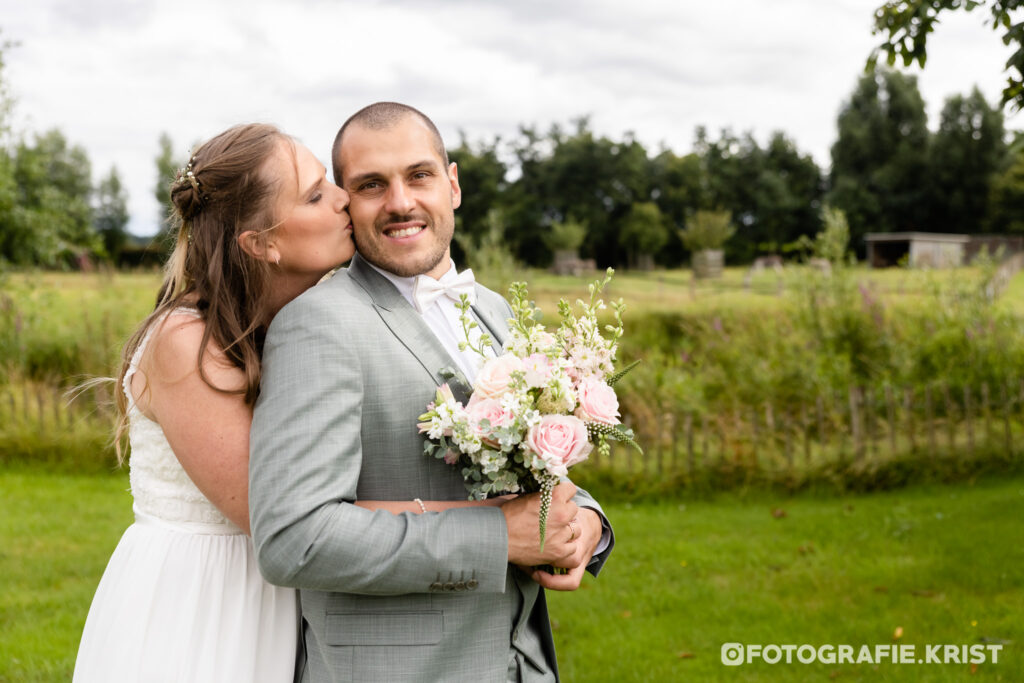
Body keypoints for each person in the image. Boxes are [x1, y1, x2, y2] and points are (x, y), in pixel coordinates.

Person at [73, 122, 514, 683]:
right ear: (263, 243)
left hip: (289, 603)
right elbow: (287, 518)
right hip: (207, 603)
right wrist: (499, 526)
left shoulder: (297, 321)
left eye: (332, 183)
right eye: (315, 194)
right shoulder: (186, 344)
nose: (343, 200)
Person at [249, 102, 615, 683]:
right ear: (346, 203)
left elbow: (531, 470)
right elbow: (295, 538)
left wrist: (587, 524)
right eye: (371, 185)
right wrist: (498, 538)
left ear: (453, 184)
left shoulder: (497, 311)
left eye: (419, 175)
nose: (400, 202)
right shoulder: (319, 323)